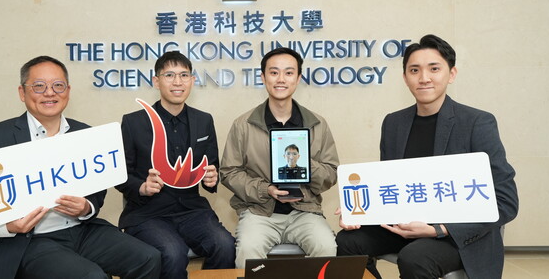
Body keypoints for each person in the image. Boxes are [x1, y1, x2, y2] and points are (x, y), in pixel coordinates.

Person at [0, 56, 161, 279]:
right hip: (29, 241)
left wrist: (86, 207)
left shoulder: (85, 134)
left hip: (81, 231)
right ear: (21, 92)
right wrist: (7, 226)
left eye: (58, 85)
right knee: (91, 276)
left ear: (68, 90)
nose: (49, 93)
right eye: (39, 86)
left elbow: (97, 185)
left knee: (148, 258)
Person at [335, 34, 519, 279]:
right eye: (414, 70)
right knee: (348, 241)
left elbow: (506, 202)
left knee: (416, 257)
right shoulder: (393, 123)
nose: (424, 78)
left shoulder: (477, 123)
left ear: (451, 74)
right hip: (405, 227)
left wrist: (439, 229)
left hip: (455, 235)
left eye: (434, 69)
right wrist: (358, 209)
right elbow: (389, 188)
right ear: (404, 78)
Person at [116, 51, 235, 279]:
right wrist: (141, 187)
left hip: (192, 210)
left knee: (225, 245)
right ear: (156, 81)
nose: (178, 82)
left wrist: (212, 178)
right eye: (169, 75)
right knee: (173, 252)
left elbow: (212, 167)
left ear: (192, 80)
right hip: (147, 214)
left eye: (184, 75)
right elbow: (121, 174)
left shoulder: (204, 120)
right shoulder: (134, 122)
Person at [221, 47, 339, 268]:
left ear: (298, 78)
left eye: (288, 72)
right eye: (274, 73)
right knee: (248, 249)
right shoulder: (243, 124)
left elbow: (331, 172)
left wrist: (303, 166)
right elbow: (229, 172)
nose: (281, 79)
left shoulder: (317, 124)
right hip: (259, 212)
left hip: (305, 211)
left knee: (326, 246)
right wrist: (266, 190)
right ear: (263, 77)